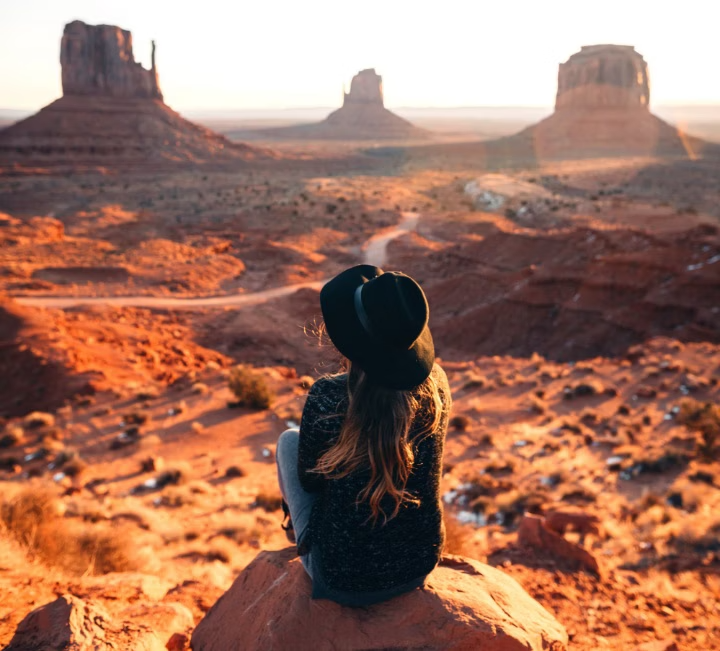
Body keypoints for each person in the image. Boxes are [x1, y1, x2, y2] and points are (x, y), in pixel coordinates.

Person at [276, 264, 452, 607]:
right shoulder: (437, 387)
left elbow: (310, 483)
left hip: (342, 577)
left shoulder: (328, 397)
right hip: (418, 563)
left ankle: (294, 533)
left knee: (288, 442)